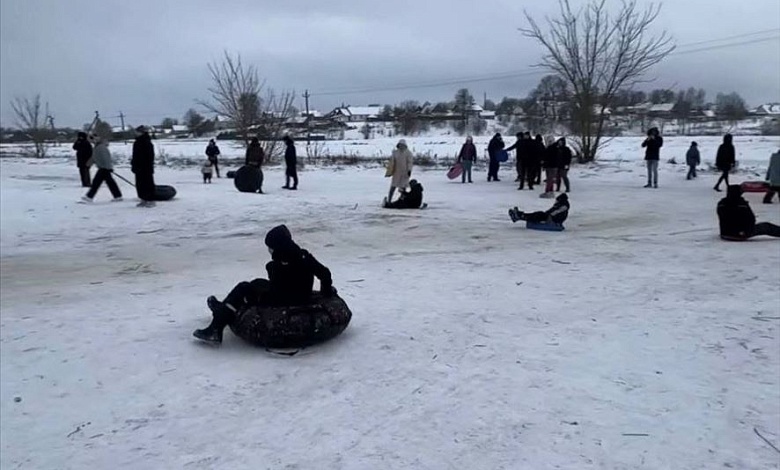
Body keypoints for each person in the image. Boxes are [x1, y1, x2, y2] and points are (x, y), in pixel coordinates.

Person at [193, 224, 335, 343]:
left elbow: (277, 285)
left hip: (281, 300)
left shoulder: (281, 260)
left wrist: (271, 269)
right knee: (256, 282)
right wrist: (326, 291)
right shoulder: (303, 255)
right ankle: (224, 309)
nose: (269, 250)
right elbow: (325, 274)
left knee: (243, 288)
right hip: (299, 295)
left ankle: (216, 328)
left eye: (271, 247)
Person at [81, 134, 122, 202]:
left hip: (104, 168)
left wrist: (108, 167)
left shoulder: (101, 147)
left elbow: (106, 158)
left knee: (96, 183)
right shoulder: (97, 147)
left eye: (93, 139)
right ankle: (117, 196)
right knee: (109, 182)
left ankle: (89, 197)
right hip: (103, 167)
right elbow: (94, 157)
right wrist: (88, 164)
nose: (92, 141)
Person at [131, 125, 156, 207]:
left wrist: (147, 165)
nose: (135, 133)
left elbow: (150, 156)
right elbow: (135, 155)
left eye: (137, 132)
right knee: (140, 184)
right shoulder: (137, 142)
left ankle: (151, 200)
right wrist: (134, 164)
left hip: (146, 167)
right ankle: (143, 199)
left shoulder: (146, 142)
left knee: (148, 183)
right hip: (138, 167)